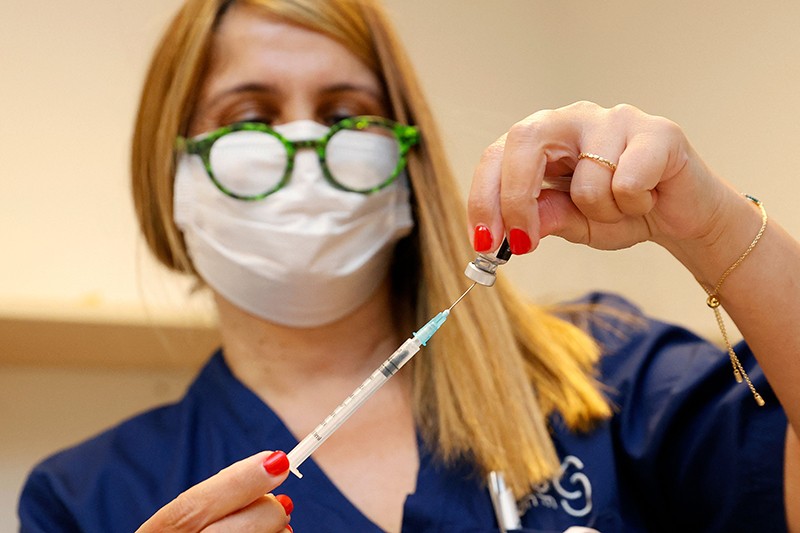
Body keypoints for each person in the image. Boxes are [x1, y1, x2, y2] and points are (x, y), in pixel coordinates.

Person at [18, 0, 799, 531]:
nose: (305, 150)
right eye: (249, 117)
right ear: (173, 171)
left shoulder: (610, 377)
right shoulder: (89, 496)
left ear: (406, 159)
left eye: (346, 114)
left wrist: (715, 225)